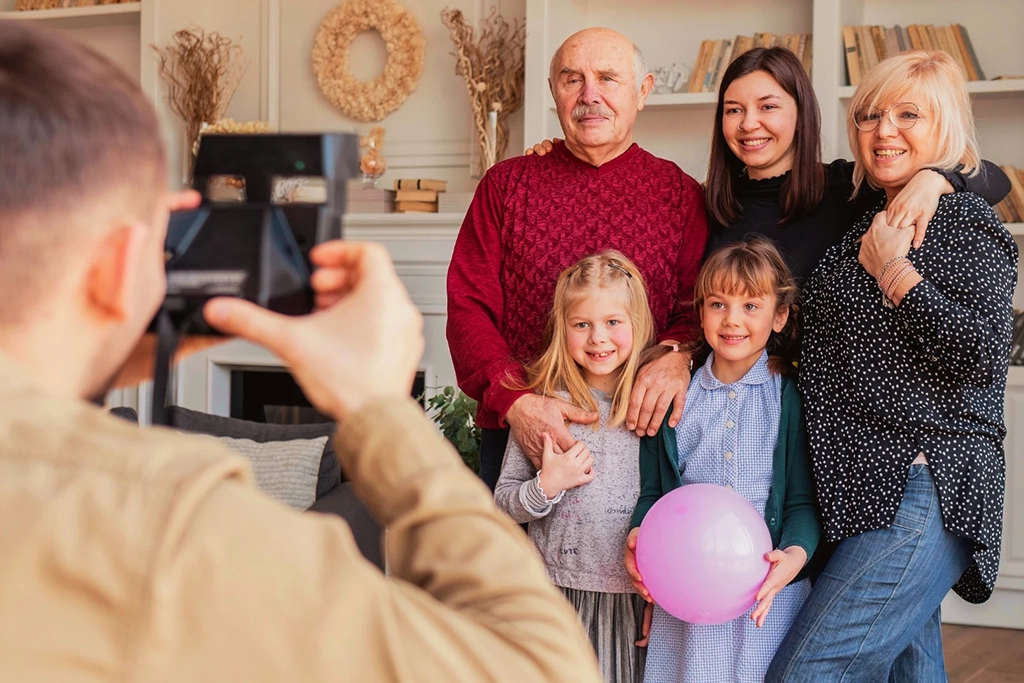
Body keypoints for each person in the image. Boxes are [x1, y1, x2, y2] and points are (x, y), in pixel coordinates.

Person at [0, 21, 606, 682]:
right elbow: (543, 668)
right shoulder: (162, 524)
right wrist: (381, 408)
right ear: (123, 260)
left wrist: (107, 334)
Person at [766, 51, 1017, 682]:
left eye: (909, 114)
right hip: (861, 489)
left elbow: (982, 354)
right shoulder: (867, 211)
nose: (884, 130)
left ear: (945, 126)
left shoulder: (962, 222)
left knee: (806, 673)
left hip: (920, 485)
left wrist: (896, 273)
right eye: (870, 115)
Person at [446, 27, 709, 492]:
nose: (590, 95)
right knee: (512, 566)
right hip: (518, 435)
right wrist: (518, 403)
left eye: (608, 78)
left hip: (638, 438)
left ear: (642, 91)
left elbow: (695, 310)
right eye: (572, 80)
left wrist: (677, 354)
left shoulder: (680, 195)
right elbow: (468, 305)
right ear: (554, 93)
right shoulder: (506, 186)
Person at [526, 47, 1009, 288]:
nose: (748, 124)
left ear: (802, 112)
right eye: (733, 109)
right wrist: (561, 160)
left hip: (823, 421)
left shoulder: (849, 186)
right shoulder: (704, 203)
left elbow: (997, 178)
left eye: (768, 107)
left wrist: (936, 178)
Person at [624, 239, 820, 683]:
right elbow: (653, 495)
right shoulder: (675, 395)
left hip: (766, 599)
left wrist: (795, 555)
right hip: (689, 604)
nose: (732, 319)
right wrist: (640, 538)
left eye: (752, 305)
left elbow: (801, 504)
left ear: (780, 315)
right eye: (718, 303)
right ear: (701, 311)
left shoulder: (789, 397)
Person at [494, 251, 655, 683]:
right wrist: (546, 485)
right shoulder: (545, 407)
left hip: (630, 598)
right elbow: (503, 503)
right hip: (554, 594)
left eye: (613, 323)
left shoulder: (651, 408)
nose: (597, 338)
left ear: (637, 323)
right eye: (581, 324)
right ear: (562, 328)